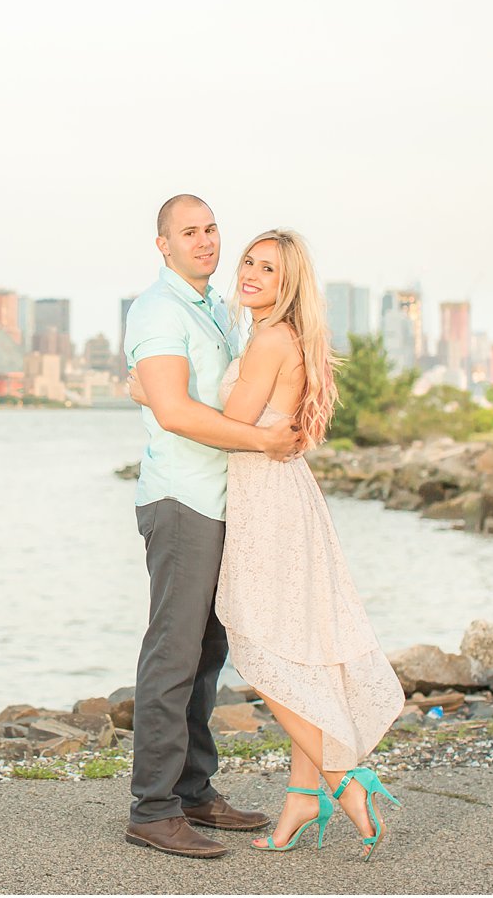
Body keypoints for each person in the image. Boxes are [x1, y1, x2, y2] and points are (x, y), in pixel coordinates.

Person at [130, 228, 405, 861]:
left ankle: (341, 777)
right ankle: (301, 798)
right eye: (249, 262)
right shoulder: (264, 334)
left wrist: (150, 393)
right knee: (294, 647)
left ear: (290, 286)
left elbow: (231, 427)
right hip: (272, 493)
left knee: (263, 651)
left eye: (269, 270)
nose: (251, 274)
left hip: (267, 504)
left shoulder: (270, 340)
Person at [120, 195, 302, 860]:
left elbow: (207, 396)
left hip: (226, 504)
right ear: (163, 245)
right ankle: (154, 808)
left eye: (211, 229)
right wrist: (262, 442)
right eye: (188, 232)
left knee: (206, 654)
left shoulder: (219, 311)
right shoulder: (159, 309)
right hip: (182, 501)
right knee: (173, 652)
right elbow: (175, 411)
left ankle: (194, 790)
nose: (204, 241)